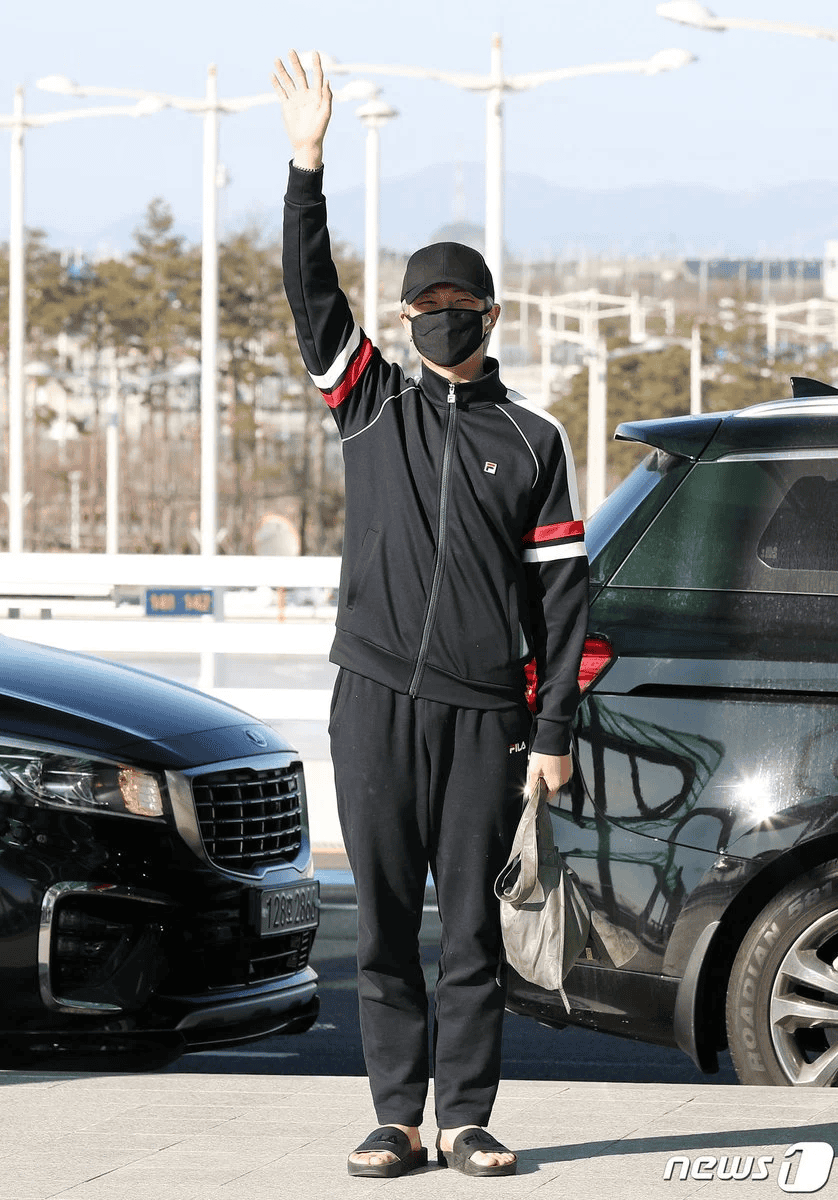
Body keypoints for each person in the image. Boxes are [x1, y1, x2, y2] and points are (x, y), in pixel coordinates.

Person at [271, 50, 589, 1179]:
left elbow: (564, 596)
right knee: (383, 923)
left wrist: (552, 733)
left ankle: (467, 1118)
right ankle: (395, 1118)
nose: (443, 321)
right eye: (425, 308)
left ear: (492, 314)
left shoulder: (534, 441)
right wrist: (307, 163)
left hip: (484, 715)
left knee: (470, 928)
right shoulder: (369, 403)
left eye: (460, 307)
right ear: (404, 320)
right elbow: (310, 290)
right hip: (373, 700)